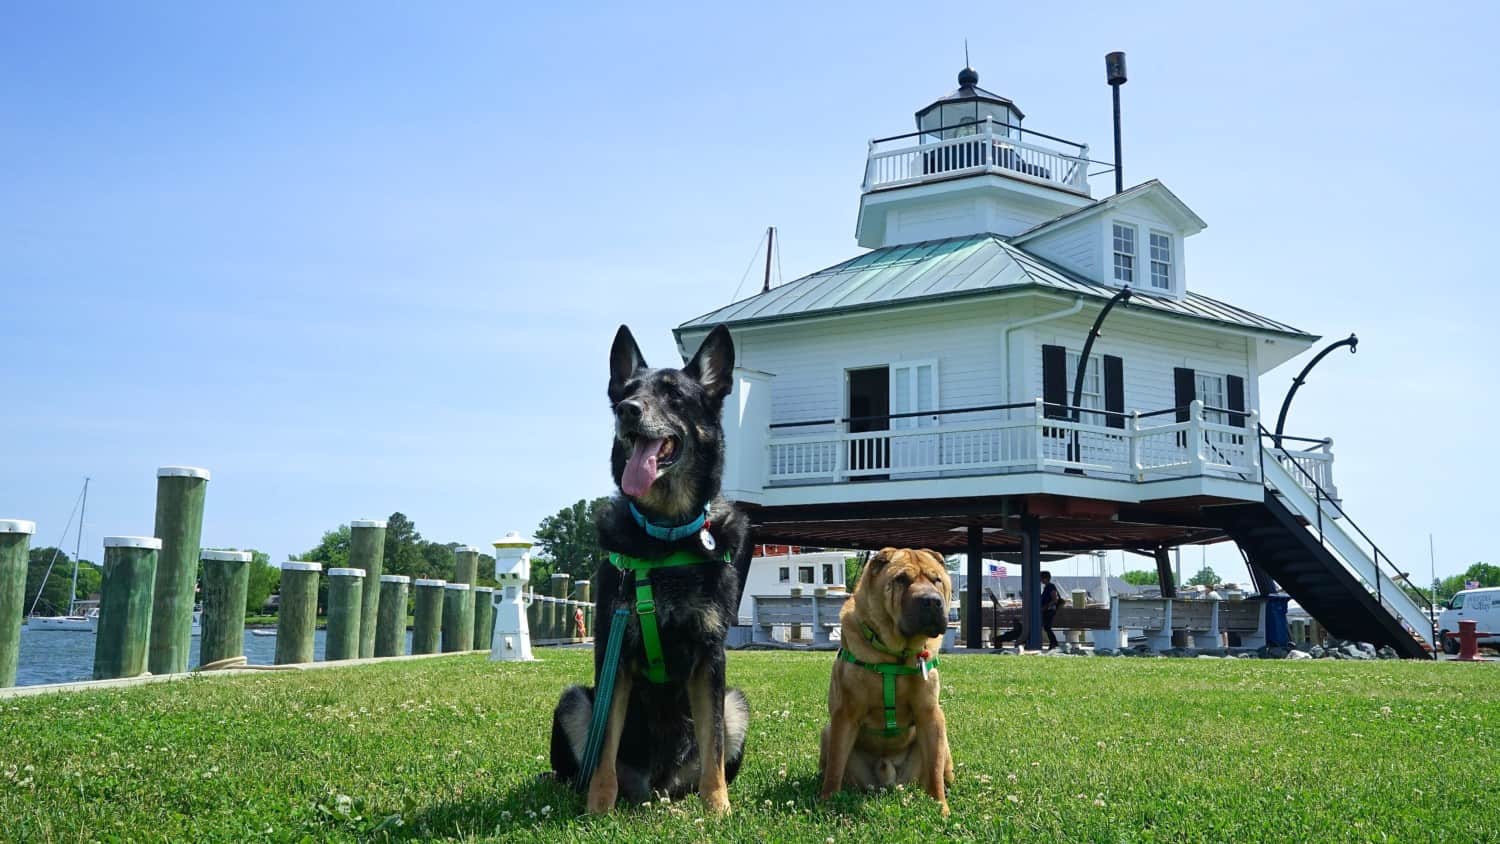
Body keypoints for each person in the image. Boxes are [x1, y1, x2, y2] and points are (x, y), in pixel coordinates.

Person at [1040, 571, 1063, 650]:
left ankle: (1054, 643)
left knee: (1047, 627)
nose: (1040, 580)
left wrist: (1045, 607)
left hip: (1049, 611)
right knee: (1047, 627)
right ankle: (1054, 643)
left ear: (1046, 578)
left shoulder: (1051, 587)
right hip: (1047, 611)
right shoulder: (1046, 587)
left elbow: (1055, 600)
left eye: (1041, 578)